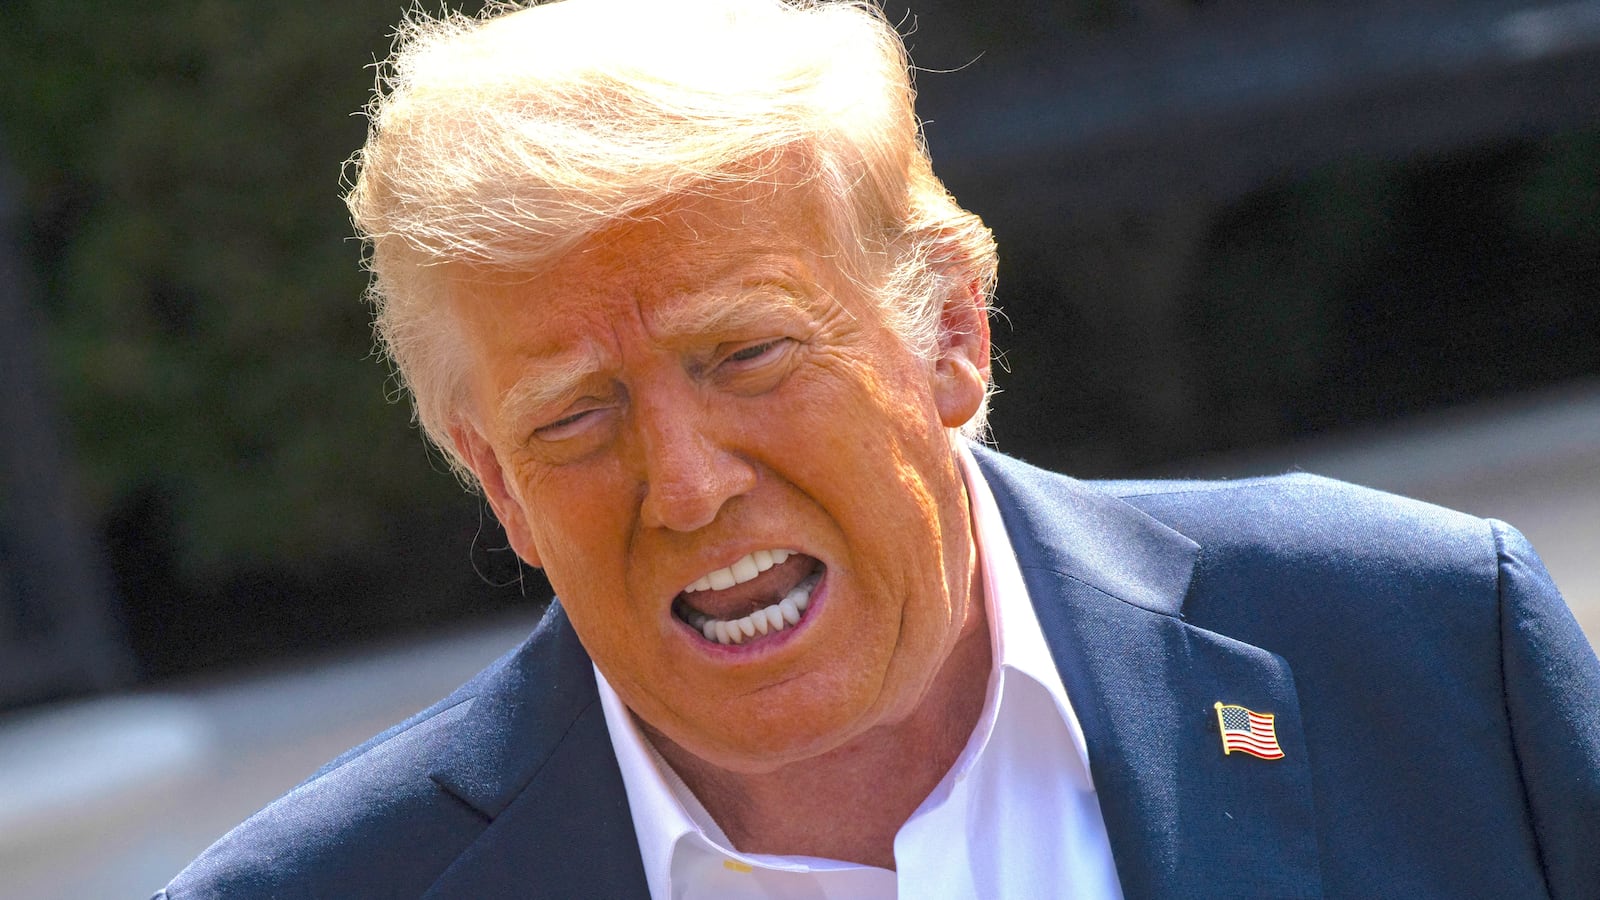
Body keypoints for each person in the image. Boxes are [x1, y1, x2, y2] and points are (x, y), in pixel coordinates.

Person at [157, 1, 1600, 897]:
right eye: (574, 417)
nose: (690, 480)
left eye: (747, 355)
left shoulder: (1416, 642)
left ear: (952, 334)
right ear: (499, 487)